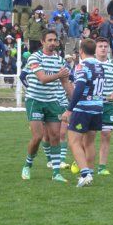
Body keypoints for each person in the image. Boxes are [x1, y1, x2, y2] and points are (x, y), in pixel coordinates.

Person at [21, 30, 72, 182]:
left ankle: (56, 173)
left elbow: (65, 84)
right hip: (35, 101)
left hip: (52, 101)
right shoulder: (34, 57)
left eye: (54, 40)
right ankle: (27, 165)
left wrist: (75, 100)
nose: (52, 43)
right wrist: (59, 75)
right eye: (49, 40)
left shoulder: (60, 61)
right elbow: (42, 78)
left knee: (55, 136)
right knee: (37, 137)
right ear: (42, 42)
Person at [60, 38, 105, 187]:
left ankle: (85, 173)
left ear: (81, 51)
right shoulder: (100, 66)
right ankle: (90, 173)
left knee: (74, 142)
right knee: (89, 142)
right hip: (97, 108)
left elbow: (79, 88)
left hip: (84, 108)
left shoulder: (82, 66)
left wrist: (69, 109)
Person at [94, 37, 113, 175]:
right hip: (91, 104)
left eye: (105, 46)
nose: (103, 48)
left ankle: (102, 167)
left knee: (106, 135)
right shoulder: (89, 64)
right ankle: (83, 162)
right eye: (100, 46)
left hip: (108, 105)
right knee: (89, 135)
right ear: (95, 49)